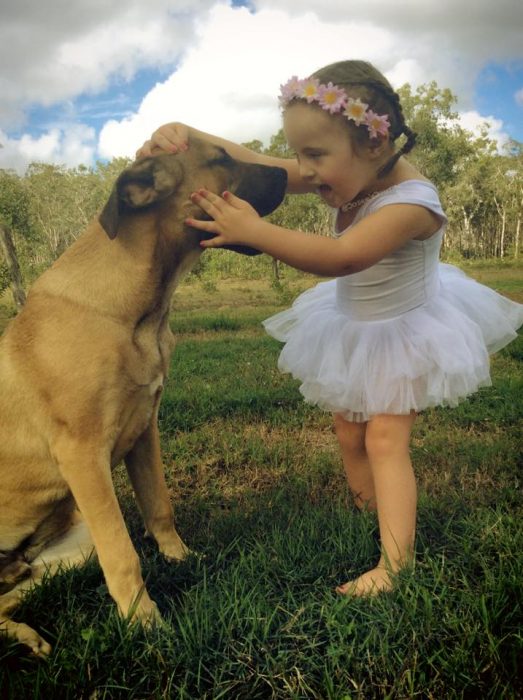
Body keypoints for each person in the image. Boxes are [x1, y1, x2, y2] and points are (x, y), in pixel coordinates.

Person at [137, 60, 523, 596]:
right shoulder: (344, 165)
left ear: (372, 143)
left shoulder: (413, 202)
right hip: (354, 325)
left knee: (386, 438)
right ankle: (370, 512)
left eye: (315, 156)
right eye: (301, 153)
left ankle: (395, 565)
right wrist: (188, 135)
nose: (305, 169)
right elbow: (262, 162)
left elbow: (343, 258)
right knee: (349, 430)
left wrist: (256, 230)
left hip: (403, 331)